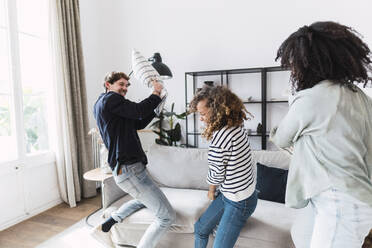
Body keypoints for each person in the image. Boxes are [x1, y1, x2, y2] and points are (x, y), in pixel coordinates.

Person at [271, 21, 372, 248]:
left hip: (339, 203)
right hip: (354, 199)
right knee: (301, 234)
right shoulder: (362, 98)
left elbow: (282, 137)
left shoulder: (311, 99)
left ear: (308, 64)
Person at [92, 71, 175, 248]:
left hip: (127, 168)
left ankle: (110, 222)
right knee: (166, 216)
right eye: (121, 84)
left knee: (143, 199)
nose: (125, 88)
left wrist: (155, 110)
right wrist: (155, 92)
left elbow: (137, 122)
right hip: (129, 169)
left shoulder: (101, 103)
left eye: (127, 85)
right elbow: (137, 110)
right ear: (108, 85)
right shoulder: (111, 100)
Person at [189, 85, 258, 248]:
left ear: (217, 110)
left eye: (203, 114)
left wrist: (211, 191)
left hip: (240, 201)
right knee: (200, 228)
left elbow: (217, 175)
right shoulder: (236, 124)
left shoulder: (220, 138)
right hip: (231, 194)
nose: (201, 118)